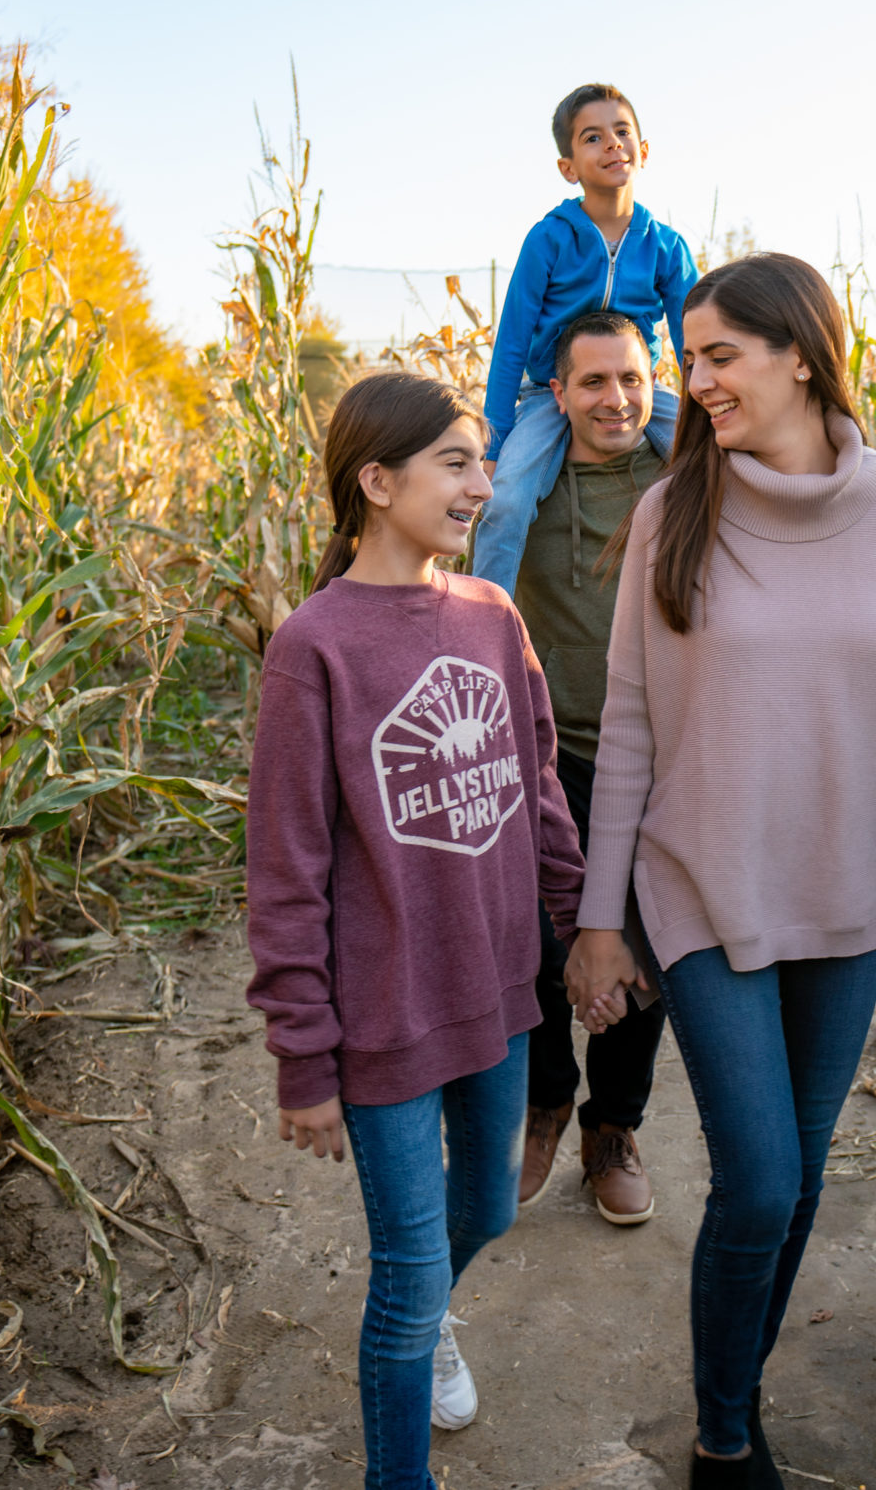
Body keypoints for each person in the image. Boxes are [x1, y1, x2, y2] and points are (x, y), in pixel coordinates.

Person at [567, 253, 876, 1489]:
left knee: (796, 1184)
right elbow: (627, 720)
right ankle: (723, 1439)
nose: (699, 381)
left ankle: (732, 1403)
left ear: (801, 350)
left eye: (719, 354)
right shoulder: (671, 511)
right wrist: (598, 921)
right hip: (699, 881)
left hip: (846, 894)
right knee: (763, 1176)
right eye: (691, 358)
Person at [244, 371, 585, 1490]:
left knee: (487, 1203)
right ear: (375, 481)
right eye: (456, 462)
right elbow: (285, 869)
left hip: (497, 987)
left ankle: (436, 1304)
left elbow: (536, 784)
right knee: (402, 1276)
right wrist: (304, 1054)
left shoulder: (489, 615)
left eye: (484, 462)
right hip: (386, 1009)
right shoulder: (316, 646)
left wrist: (579, 925)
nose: (484, 485)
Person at [510, 309, 671, 1224]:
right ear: (560, 392)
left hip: (654, 757)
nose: (616, 399)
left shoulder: (687, 477)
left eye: (632, 379)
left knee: (644, 955)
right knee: (534, 946)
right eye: (595, 382)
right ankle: (546, 1098)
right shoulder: (518, 488)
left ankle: (614, 1125)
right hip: (548, 754)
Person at [470, 82, 698, 593]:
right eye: (592, 137)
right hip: (549, 394)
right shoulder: (549, 238)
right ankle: (485, 619)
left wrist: (706, 417)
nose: (612, 144)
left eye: (622, 132)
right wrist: (495, 440)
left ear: (644, 149)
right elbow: (511, 342)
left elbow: (693, 343)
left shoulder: (665, 246)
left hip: (642, 392)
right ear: (568, 168)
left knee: (716, 467)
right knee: (505, 500)